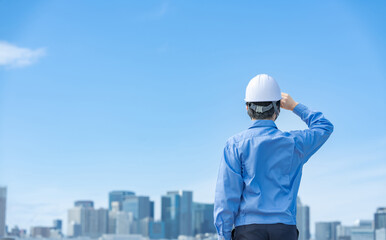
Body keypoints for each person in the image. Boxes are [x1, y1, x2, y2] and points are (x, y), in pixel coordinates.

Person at [214, 74, 334, 240]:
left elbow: (226, 198)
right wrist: (295, 106)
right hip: (284, 230)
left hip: (248, 231)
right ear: (278, 108)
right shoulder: (294, 143)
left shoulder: (235, 145)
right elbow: (324, 127)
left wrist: (224, 236)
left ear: (247, 108)